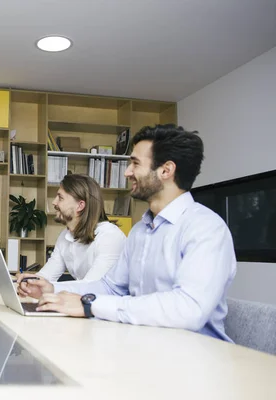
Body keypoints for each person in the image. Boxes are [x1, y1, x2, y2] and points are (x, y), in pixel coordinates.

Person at [17, 124, 237, 342]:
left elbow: (188, 309)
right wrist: (51, 288)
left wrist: (89, 303)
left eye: (135, 163)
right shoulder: (140, 231)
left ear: (166, 170)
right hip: (144, 344)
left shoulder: (206, 228)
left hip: (196, 355)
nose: (127, 172)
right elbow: (110, 286)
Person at [37, 174, 126, 283]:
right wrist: (27, 283)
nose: (54, 202)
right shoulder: (65, 236)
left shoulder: (110, 237)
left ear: (80, 206)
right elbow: (46, 276)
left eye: (60, 198)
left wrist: (49, 288)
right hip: (82, 297)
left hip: (102, 298)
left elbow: (91, 287)